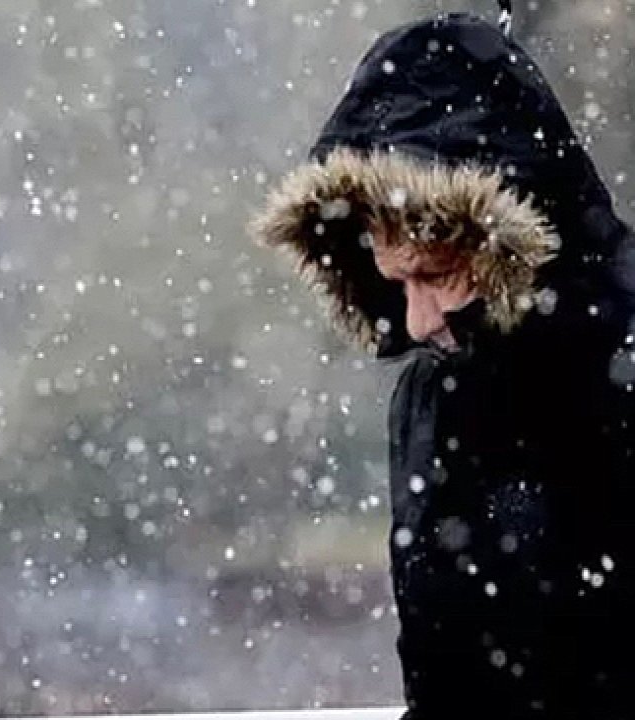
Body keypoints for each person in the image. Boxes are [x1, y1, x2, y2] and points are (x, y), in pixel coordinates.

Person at [251, 10, 635, 719]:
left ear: (507, 245)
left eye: (436, 275)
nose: (419, 321)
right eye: (397, 284)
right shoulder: (434, 399)